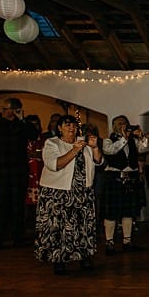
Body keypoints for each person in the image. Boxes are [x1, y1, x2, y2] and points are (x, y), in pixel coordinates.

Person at [33, 115, 102, 275]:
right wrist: (74, 150)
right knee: (59, 227)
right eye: (67, 125)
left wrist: (95, 148)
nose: (71, 128)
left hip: (82, 191)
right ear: (59, 128)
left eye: (74, 125)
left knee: (81, 226)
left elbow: (98, 162)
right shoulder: (52, 143)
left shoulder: (83, 143)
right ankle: (59, 260)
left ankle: (84, 257)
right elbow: (55, 164)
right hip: (58, 192)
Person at [0, 97, 39, 250]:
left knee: (18, 205)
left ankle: (18, 238)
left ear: (14, 110)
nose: (3, 111)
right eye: (3, 109)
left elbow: (33, 134)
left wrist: (22, 119)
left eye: (6, 109)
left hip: (18, 171)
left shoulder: (23, 125)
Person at [101, 115, 149, 253]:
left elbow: (143, 149)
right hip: (114, 178)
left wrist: (141, 137)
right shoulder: (108, 141)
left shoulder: (132, 140)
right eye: (120, 123)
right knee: (111, 212)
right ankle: (109, 243)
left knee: (128, 211)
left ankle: (127, 242)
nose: (123, 125)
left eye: (125, 123)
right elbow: (110, 151)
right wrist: (124, 138)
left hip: (131, 178)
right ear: (114, 126)